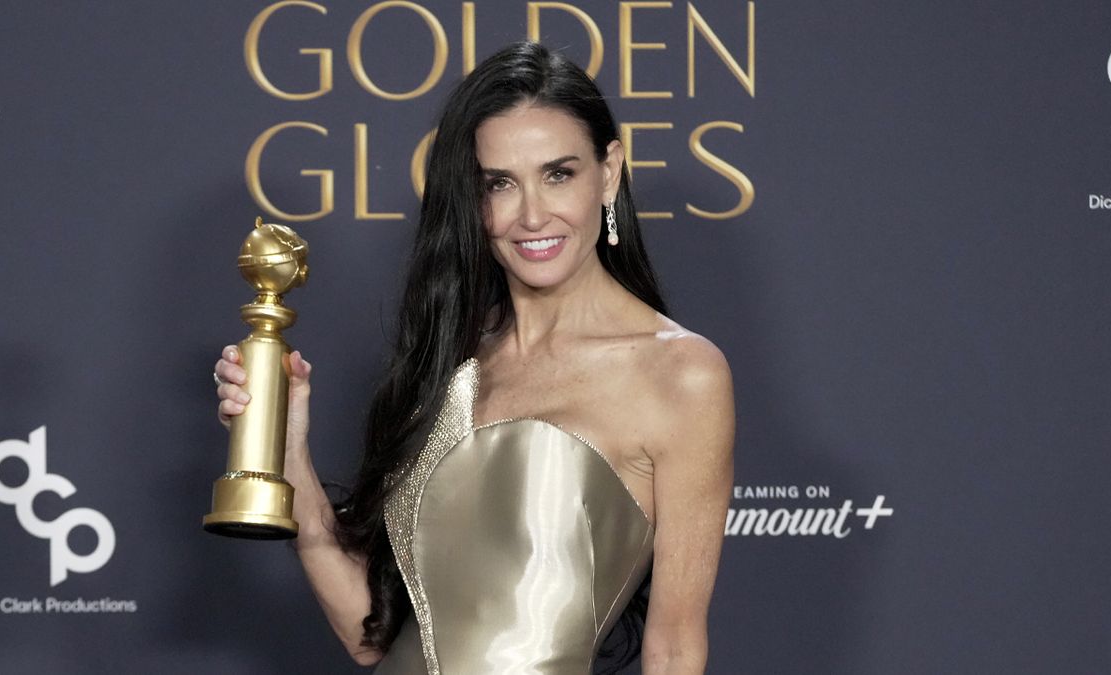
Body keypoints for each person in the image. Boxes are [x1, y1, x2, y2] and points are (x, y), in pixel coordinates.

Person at [214, 41, 734, 674]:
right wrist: (285, 446)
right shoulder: (451, 360)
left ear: (610, 171)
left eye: (558, 173)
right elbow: (369, 638)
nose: (532, 214)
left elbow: (675, 648)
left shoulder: (681, 375)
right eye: (499, 184)